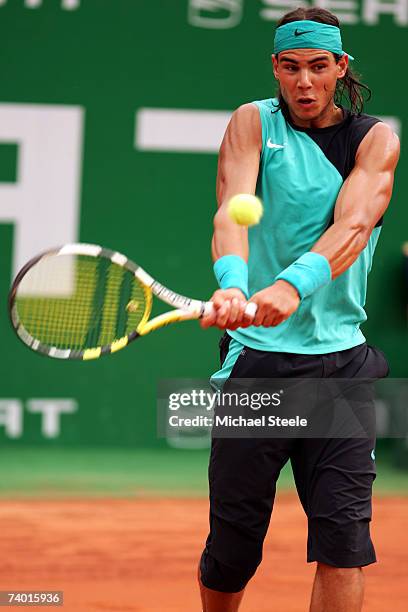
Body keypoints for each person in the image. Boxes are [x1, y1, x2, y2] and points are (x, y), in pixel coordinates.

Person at [198, 6, 400, 612]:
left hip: (341, 369)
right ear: (275, 68)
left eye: (318, 67)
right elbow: (232, 210)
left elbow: (356, 225)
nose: (304, 82)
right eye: (291, 67)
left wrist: (289, 287)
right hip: (258, 367)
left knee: (343, 539)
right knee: (234, 543)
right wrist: (233, 283)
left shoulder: (375, 139)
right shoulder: (251, 122)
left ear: (340, 67)